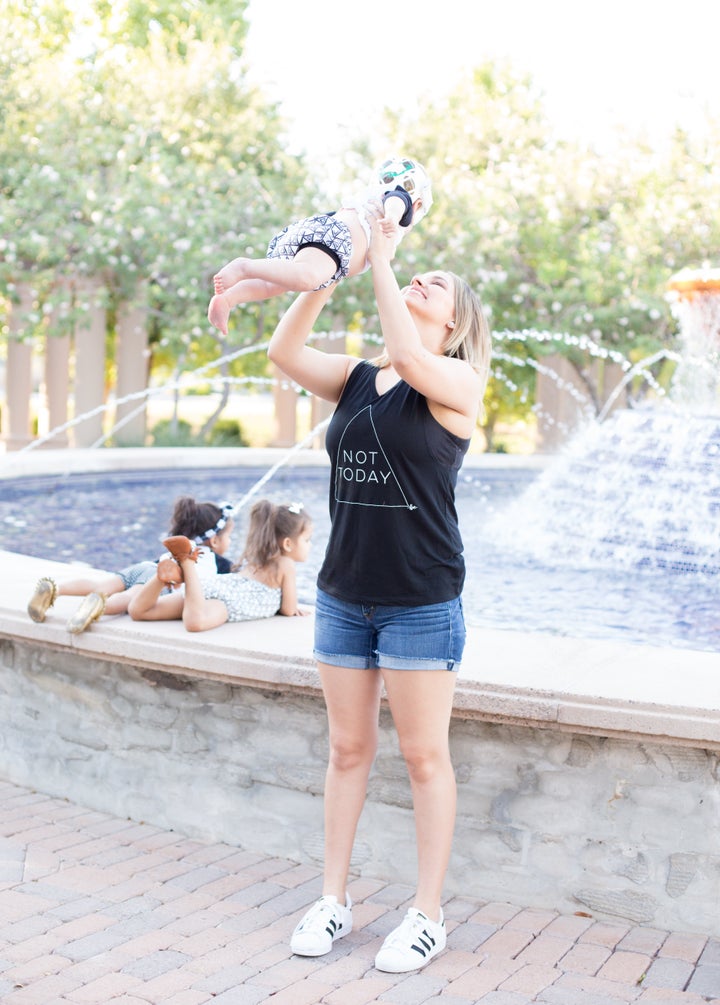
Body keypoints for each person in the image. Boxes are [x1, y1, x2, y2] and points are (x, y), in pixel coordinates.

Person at [267, 211, 492, 973]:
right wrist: (325, 276)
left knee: (426, 758)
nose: (423, 279)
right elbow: (284, 351)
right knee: (347, 749)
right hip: (343, 593)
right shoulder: (359, 379)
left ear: (454, 320)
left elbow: (405, 347)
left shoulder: (457, 383)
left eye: (438, 284)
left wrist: (387, 257)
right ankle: (333, 897)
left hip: (422, 598)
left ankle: (427, 913)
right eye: (416, 275)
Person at [207, 156, 432, 335]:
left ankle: (228, 299)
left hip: (323, 236)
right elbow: (397, 201)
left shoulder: (366, 203)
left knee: (274, 285)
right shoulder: (396, 201)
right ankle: (244, 267)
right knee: (305, 277)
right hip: (336, 241)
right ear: (418, 203)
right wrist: (393, 217)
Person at [26, 497, 235, 634]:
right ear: (215, 541)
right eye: (229, 536)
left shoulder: (176, 546)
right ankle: (97, 608)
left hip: (143, 567)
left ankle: (56, 589)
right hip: (158, 580)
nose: (230, 541)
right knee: (127, 598)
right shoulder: (215, 560)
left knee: (100, 584)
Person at [127, 499, 312, 631]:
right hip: (231, 601)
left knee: (140, 612)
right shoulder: (286, 564)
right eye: (307, 540)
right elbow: (288, 609)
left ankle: (162, 577)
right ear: (288, 543)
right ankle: (186, 562)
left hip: (213, 585)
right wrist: (294, 607)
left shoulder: (257, 557)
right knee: (196, 622)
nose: (309, 545)